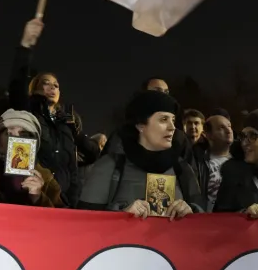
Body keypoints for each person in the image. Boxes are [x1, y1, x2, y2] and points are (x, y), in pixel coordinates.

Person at [8, 19, 100, 207]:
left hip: (66, 202)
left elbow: (92, 155)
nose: (52, 87)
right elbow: (17, 85)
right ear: (34, 88)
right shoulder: (27, 113)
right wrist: (25, 46)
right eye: (46, 83)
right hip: (34, 197)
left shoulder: (67, 120)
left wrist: (75, 132)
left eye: (56, 85)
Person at [79, 90, 204, 218]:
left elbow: (205, 222)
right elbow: (85, 223)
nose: (172, 127)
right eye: (163, 119)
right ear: (140, 125)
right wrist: (121, 215)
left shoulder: (182, 168)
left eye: (173, 120)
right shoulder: (109, 166)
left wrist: (191, 212)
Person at [0, 109, 62, 207]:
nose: (16, 139)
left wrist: (37, 197)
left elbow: (57, 219)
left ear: (33, 144)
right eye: (9, 134)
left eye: (24, 135)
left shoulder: (47, 180)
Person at [202, 114, 234, 212]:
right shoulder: (198, 162)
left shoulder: (241, 162)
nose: (228, 131)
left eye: (229, 126)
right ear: (208, 135)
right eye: (221, 128)